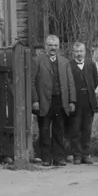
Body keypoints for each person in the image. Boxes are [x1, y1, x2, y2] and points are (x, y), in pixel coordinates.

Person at [30, 34, 75, 166]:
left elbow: (70, 83)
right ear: (46, 46)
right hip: (44, 101)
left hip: (60, 101)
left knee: (59, 130)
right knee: (44, 130)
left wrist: (72, 101)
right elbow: (31, 82)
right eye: (50, 45)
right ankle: (46, 158)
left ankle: (59, 158)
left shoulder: (65, 62)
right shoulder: (37, 61)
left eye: (55, 45)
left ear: (58, 47)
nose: (53, 48)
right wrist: (35, 100)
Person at [66, 41, 98, 164]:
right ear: (73, 52)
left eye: (81, 51)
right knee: (75, 129)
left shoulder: (91, 64)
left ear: (85, 52)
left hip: (89, 101)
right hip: (75, 101)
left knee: (87, 129)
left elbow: (95, 81)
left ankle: (86, 154)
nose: (79, 54)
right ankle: (77, 155)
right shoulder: (69, 65)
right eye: (76, 51)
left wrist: (88, 91)